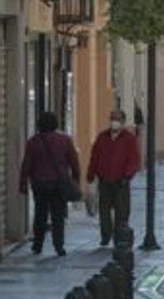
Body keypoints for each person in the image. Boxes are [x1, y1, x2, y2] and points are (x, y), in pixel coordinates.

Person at [19, 112, 81, 256]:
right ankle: (59, 246)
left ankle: (37, 245)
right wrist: (75, 179)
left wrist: (22, 183)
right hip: (58, 183)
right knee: (58, 215)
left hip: (39, 183)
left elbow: (26, 164)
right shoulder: (64, 140)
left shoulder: (33, 142)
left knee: (40, 214)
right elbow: (74, 162)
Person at [87, 109, 141, 246]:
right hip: (104, 179)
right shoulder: (102, 137)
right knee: (104, 210)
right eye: (112, 118)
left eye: (117, 119)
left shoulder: (129, 139)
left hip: (121, 181)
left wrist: (127, 175)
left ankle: (119, 235)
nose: (114, 122)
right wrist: (91, 173)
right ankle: (105, 235)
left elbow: (133, 159)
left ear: (123, 122)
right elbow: (95, 156)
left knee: (122, 211)